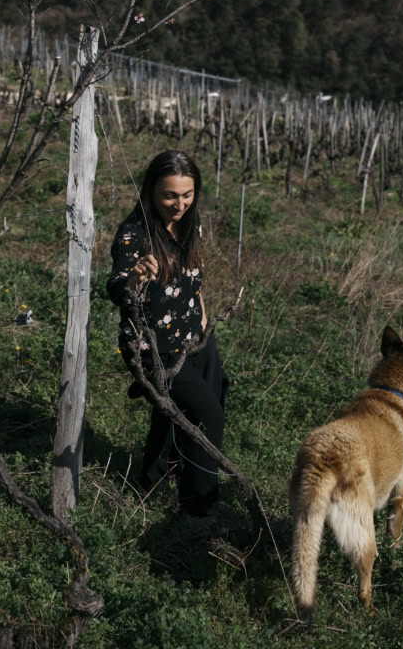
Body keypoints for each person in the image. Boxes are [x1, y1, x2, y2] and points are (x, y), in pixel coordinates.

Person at [106, 149, 228, 525]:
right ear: (151, 191)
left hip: (195, 336)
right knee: (207, 415)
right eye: (170, 196)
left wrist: (204, 319)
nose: (179, 204)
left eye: (187, 195)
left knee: (208, 396)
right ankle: (198, 508)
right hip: (154, 349)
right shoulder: (135, 234)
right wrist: (136, 277)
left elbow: (194, 278)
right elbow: (116, 288)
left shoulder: (191, 223)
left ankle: (152, 479)